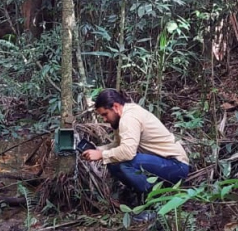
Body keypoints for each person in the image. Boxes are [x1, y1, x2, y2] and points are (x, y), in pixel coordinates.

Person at [80, 89, 190, 221]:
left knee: (127, 163)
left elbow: (127, 152)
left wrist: (102, 154)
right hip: (165, 165)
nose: (104, 119)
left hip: (176, 166)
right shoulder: (125, 116)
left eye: (105, 114)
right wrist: (98, 150)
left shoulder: (129, 118)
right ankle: (143, 199)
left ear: (115, 106)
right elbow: (118, 145)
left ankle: (152, 207)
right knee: (113, 163)